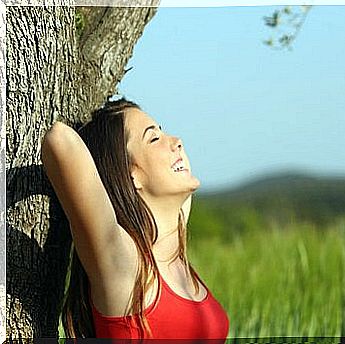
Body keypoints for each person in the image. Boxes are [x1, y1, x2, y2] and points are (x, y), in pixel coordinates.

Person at [41, 98, 230, 340]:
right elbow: (60, 139)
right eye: (154, 138)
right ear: (131, 176)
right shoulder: (124, 263)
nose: (176, 142)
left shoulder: (174, 246)